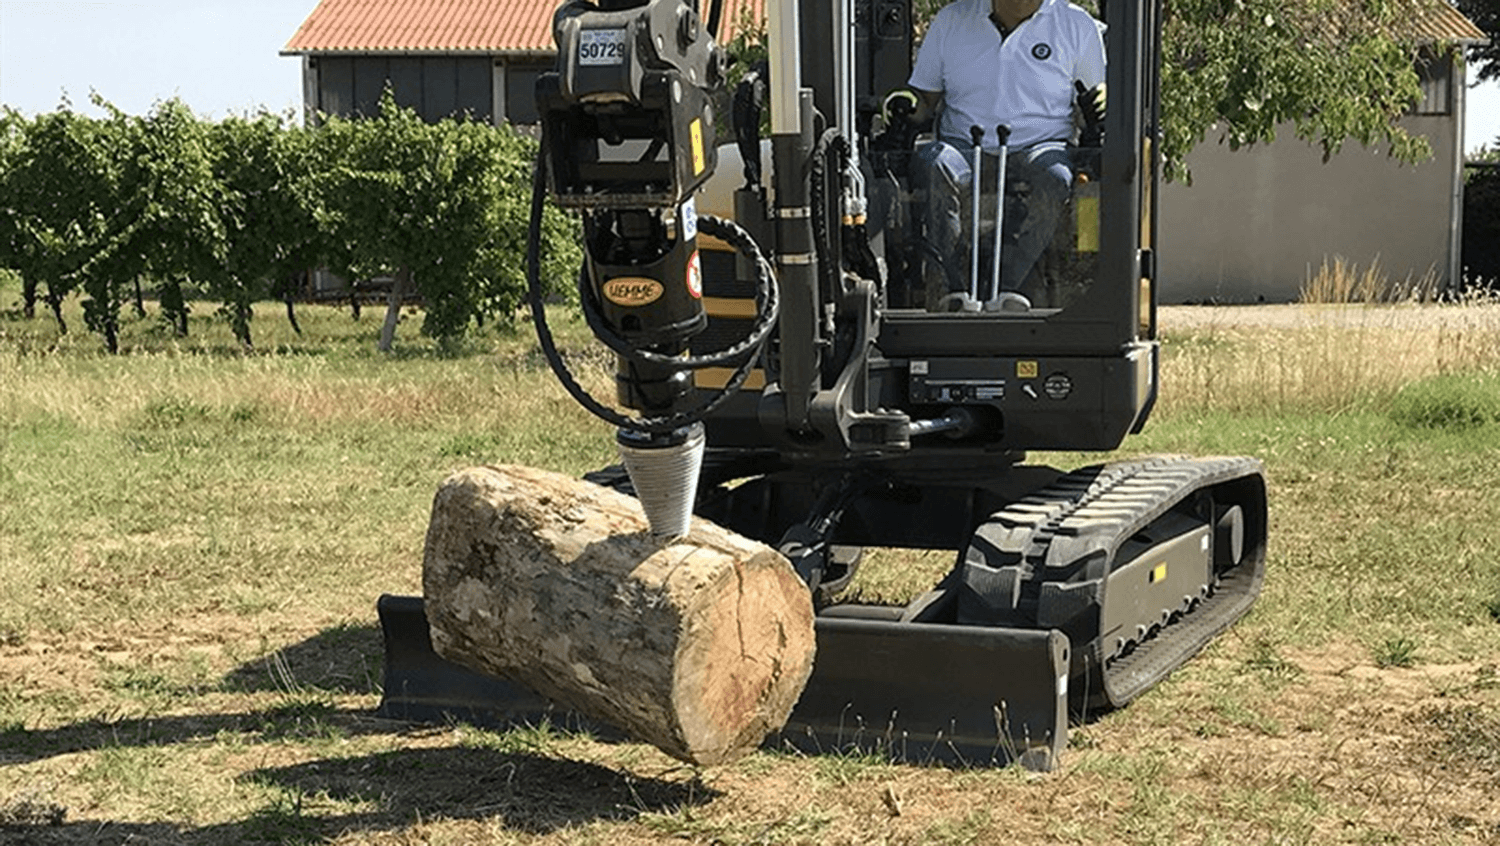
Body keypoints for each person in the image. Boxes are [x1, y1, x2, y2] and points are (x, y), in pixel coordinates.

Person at [897, 0, 1106, 312]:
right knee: (933, 163)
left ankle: (1008, 288)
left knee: (1056, 177)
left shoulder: (1077, 24)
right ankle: (956, 290)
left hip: (1042, 145)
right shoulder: (952, 20)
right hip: (964, 147)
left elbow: (1094, 96)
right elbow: (925, 99)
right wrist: (905, 104)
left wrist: (1100, 102)